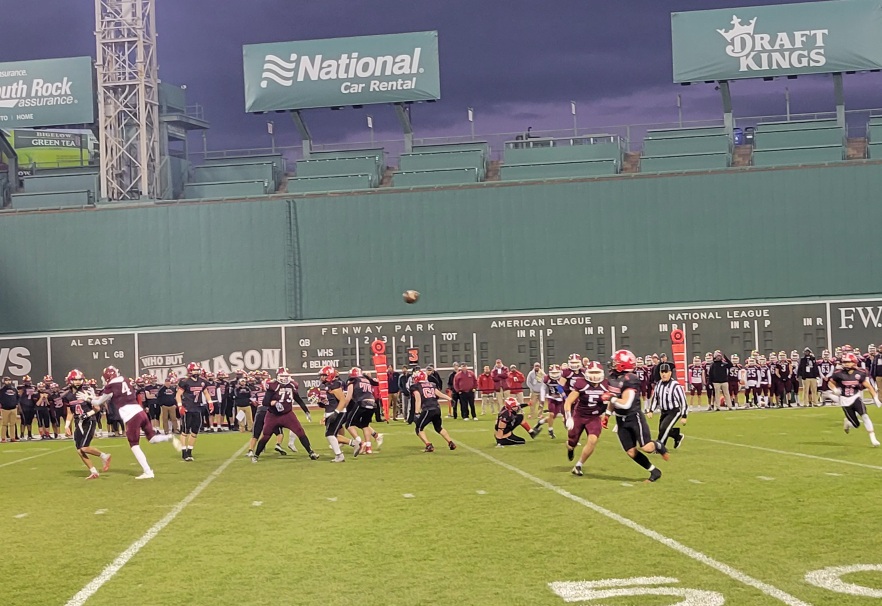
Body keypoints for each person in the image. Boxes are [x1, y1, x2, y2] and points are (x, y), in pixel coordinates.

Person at [81, 366, 180, 479]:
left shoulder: (110, 385)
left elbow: (99, 401)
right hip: (140, 411)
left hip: (131, 416)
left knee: (134, 445)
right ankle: (169, 437)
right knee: (152, 438)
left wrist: (87, 398)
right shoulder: (125, 379)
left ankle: (148, 471)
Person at [601, 350, 670, 482]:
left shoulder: (630, 379)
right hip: (620, 419)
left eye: (616, 362)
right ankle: (654, 471)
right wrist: (607, 414)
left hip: (633, 417)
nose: (612, 364)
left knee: (647, 448)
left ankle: (659, 446)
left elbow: (626, 403)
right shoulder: (613, 378)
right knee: (631, 451)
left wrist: (610, 398)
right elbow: (614, 399)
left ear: (623, 365)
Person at [252, 367, 319, 462]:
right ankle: (256, 455)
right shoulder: (272, 385)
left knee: (300, 431)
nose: (285, 378)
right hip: (273, 415)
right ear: (278, 376)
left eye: (286, 376)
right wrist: (274, 403)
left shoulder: (292, 385)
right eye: (282, 376)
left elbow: (298, 399)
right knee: (266, 435)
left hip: (287, 414)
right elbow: (265, 402)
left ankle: (311, 452)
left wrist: (306, 411)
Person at [63, 369, 112, 479]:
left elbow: (97, 408)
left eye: (80, 379)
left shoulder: (87, 391)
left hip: (89, 421)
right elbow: (70, 412)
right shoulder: (67, 396)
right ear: (70, 381)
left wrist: (87, 414)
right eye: (75, 380)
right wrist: (66, 426)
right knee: (79, 450)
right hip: (78, 422)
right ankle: (93, 471)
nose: (78, 382)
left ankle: (104, 456)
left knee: (84, 447)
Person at [825, 352, 881, 447]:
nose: (846, 363)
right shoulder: (839, 373)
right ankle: (848, 422)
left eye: (848, 362)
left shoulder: (860, 373)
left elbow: (868, 386)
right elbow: (830, 383)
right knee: (856, 424)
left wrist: (875, 398)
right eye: (844, 362)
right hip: (844, 401)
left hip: (855, 397)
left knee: (865, 416)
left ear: (854, 362)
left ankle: (873, 439)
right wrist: (834, 389)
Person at [563, 361, 607, 476]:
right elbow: (568, 401)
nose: (594, 375)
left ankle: (578, 465)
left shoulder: (606, 385)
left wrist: (607, 413)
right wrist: (569, 417)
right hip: (579, 416)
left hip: (594, 417)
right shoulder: (581, 383)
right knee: (572, 442)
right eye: (592, 372)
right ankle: (570, 448)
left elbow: (612, 401)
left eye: (597, 372)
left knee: (593, 440)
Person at [410, 370, 456, 452]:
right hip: (437, 408)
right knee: (438, 427)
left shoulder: (416, 386)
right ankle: (450, 442)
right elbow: (439, 394)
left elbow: (418, 399)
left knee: (419, 428)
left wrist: (416, 412)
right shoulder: (431, 384)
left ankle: (428, 445)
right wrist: (449, 399)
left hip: (427, 409)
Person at [320, 365, 358, 462]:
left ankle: (339, 455)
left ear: (329, 375)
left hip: (337, 412)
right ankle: (354, 443)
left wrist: (336, 413)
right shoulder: (327, 386)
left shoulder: (335, 385)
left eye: (323, 375)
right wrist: (321, 403)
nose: (321, 377)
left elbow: (343, 401)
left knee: (330, 434)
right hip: (331, 412)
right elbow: (328, 403)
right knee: (334, 435)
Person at [341, 367, 383, 455]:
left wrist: (342, 407)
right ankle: (368, 447)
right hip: (372, 403)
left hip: (362, 403)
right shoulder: (366, 380)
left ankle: (360, 442)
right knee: (365, 425)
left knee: (348, 424)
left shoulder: (352, 381)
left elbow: (348, 398)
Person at [646, 363, 688, 450]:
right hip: (664, 411)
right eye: (662, 372)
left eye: (666, 372)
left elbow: (683, 401)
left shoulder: (675, 386)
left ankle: (659, 447)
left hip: (674, 411)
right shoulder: (659, 385)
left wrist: (684, 416)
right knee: (662, 429)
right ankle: (677, 435)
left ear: (670, 373)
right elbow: (655, 398)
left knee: (664, 428)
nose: (664, 374)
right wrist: (651, 410)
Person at [543, 364, 566, 439]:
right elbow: (542, 388)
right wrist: (542, 399)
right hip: (551, 398)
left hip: (560, 399)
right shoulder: (547, 378)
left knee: (555, 417)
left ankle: (540, 422)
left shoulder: (563, 378)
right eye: (553, 373)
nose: (555, 375)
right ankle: (550, 430)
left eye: (556, 373)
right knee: (551, 415)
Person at [0, 377, 18, 442]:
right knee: (4, 424)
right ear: (4, 381)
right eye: (6, 381)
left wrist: (16, 403)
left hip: (13, 409)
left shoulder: (14, 389)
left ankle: (12, 437)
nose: (8, 382)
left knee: (12, 424)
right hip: (5, 409)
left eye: (9, 380)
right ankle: (3, 438)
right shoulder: (2, 390)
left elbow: (18, 397)